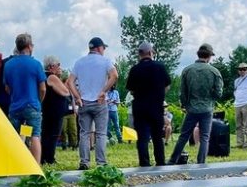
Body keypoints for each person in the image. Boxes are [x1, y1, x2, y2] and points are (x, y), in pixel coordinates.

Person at [67, 37, 118, 170]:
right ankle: (101, 163)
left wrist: (77, 97)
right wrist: (103, 91)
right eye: (104, 48)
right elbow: (115, 75)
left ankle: (84, 162)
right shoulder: (106, 61)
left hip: (84, 102)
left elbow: (70, 82)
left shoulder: (79, 62)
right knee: (101, 133)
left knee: (84, 133)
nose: (104, 50)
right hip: (100, 102)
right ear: (99, 48)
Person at [167, 43, 223, 165]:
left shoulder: (187, 70)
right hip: (207, 109)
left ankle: (172, 160)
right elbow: (219, 93)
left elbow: (182, 92)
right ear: (209, 56)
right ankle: (201, 162)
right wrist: (210, 99)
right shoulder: (215, 72)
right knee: (204, 138)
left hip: (191, 108)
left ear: (199, 54)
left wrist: (185, 105)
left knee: (184, 136)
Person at [125, 42, 171, 166]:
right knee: (157, 136)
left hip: (140, 107)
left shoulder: (135, 69)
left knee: (142, 137)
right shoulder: (159, 67)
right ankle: (160, 162)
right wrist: (159, 94)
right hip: (156, 106)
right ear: (151, 53)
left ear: (139, 54)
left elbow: (131, 89)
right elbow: (167, 85)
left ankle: (144, 163)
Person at [4, 33, 46, 163]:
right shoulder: (36, 64)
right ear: (29, 46)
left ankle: (16, 164)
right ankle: (36, 168)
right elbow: (43, 88)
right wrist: (39, 101)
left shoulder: (9, 65)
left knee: (16, 136)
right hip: (32, 104)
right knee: (35, 136)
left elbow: (7, 88)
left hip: (15, 106)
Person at [40, 55, 71, 164]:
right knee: (53, 135)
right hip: (54, 111)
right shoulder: (52, 77)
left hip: (47, 109)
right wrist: (59, 77)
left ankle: (44, 157)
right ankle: (50, 158)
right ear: (52, 66)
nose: (60, 67)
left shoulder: (43, 76)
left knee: (46, 134)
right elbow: (65, 91)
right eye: (58, 65)